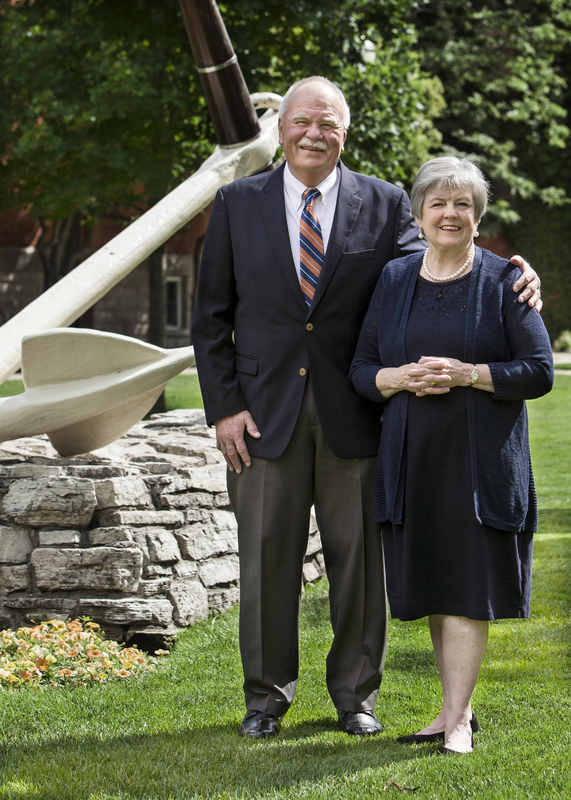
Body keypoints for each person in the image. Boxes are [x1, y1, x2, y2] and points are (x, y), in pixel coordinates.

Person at [191, 78, 541, 740]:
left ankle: (355, 696)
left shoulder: (382, 204)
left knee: (359, 567)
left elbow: (441, 267)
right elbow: (209, 319)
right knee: (266, 560)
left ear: (343, 133)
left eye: (327, 124)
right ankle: (266, 697)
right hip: (262, 416)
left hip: (358, 414)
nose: (313, 134)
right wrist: (224, 409)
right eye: (301, 122)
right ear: (282, 129)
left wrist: (512, 271)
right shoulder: (236, 204)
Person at [350, 156, 553, 754]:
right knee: (438, 584)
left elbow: (540, 372)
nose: (450, 213)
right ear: (418, 214)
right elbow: (361, 370)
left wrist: (472, 375)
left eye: (462, 204)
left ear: (477, 215)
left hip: (478, 460)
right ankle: (447, 711)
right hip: (413, 457)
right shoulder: (393, 279)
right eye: (438, 203)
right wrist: (398, 378)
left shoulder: (505, 280)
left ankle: (460, 720)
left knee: (467, 588)